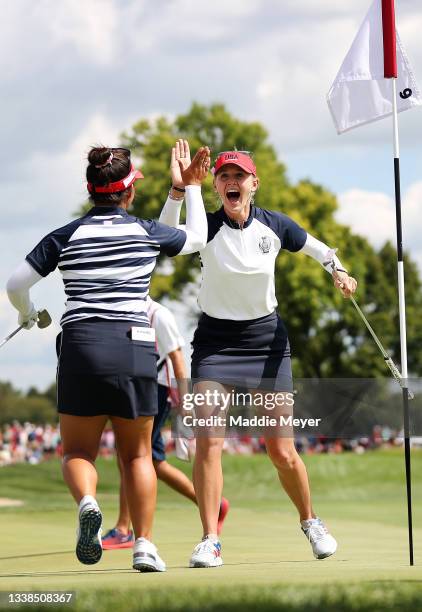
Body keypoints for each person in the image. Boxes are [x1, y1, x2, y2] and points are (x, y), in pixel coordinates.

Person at [6, 143, 210, 573]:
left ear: (90, 189)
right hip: (135, 346)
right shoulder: (144, 232)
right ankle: (145, 547)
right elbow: (196, 239)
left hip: (80, 345)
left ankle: (87, 503)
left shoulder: (65, 235)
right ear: (129, 191)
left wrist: (27, 315)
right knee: (137, 456)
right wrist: (189, 187)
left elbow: (15, 283)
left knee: (78, 452)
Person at [159, 144, 358, 568]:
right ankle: (210, 539)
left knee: (280, 450)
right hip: (214, 346)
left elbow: (320, 250)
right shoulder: (206, 227)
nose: (232, 182)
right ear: (215, 185)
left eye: (240, 176)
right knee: (209, 443)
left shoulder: (275, 226)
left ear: (254, 184)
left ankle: (311, 521)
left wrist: (338, 269)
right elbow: (166, 240)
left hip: (267, 343)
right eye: (224, 177)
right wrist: (179, 191)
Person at [102, 296, 229, 549]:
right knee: (152, 462)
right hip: (137, 388)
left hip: (157, 392)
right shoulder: (124, 308)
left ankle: (124, 528)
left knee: (132, 456)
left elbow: (177, 360)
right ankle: (214, 504)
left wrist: (185, 405)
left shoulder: (159, 314)